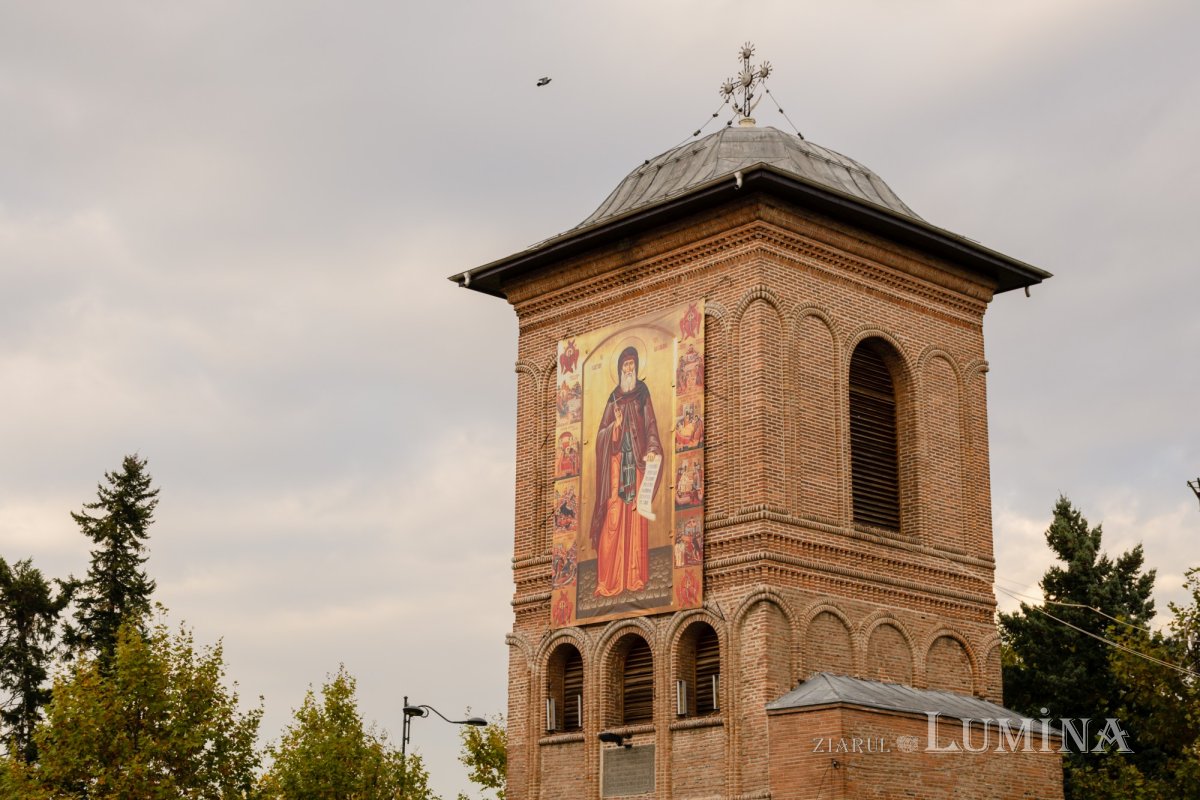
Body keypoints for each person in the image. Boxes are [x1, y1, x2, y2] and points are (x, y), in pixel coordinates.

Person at [588, 346, 663, 597]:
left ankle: (634, 578)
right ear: (620, 369)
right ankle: (608, 581)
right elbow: (601, 435)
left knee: (635, 520)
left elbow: (651, 423)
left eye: (632, 364)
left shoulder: (643, 392)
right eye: (625, 365)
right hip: (616, 467)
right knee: (613, 520)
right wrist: (616, 427)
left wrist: (652, 448)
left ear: (636, 367)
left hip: (638, 464)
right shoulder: (614, 398)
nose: (629, 369)